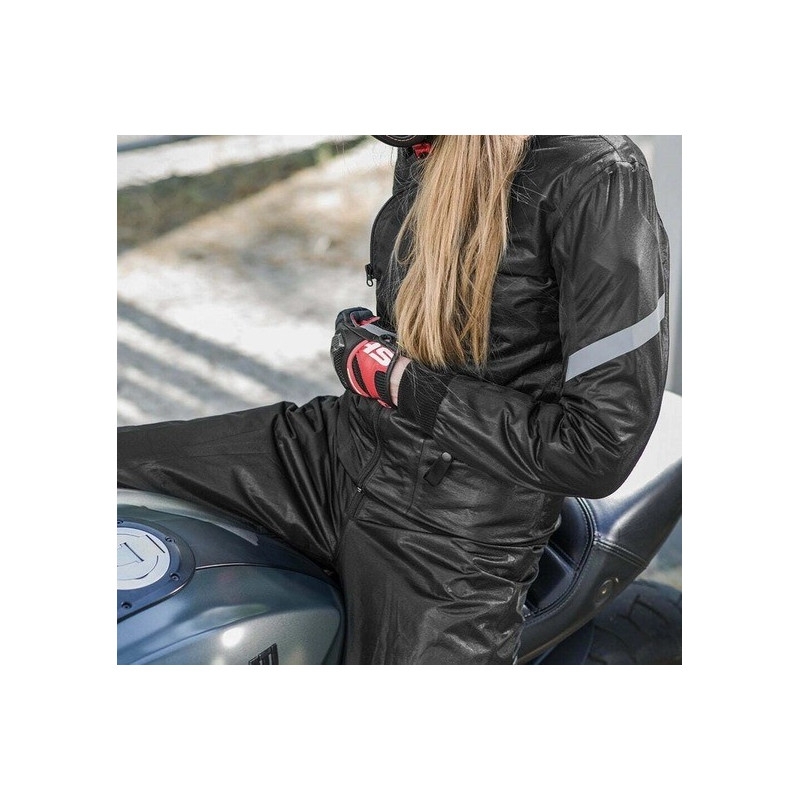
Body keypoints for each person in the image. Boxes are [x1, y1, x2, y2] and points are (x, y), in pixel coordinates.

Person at [118, 135, 670, 665]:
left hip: (455, 533)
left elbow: (597, 446)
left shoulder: (596, 175)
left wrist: (404, 383)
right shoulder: (428, 144)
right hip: (334, 454)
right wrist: (376, 341)